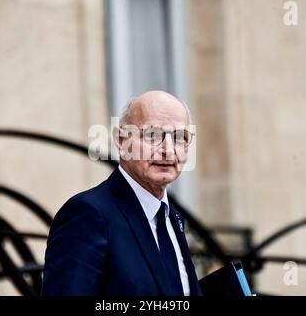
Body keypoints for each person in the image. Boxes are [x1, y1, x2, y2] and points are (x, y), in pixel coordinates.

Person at [41, 90, 202, 296]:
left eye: (180, 137)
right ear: (122, 140)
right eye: (152, 135)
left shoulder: (173, 219)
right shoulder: (87, 214)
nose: (168, 150)